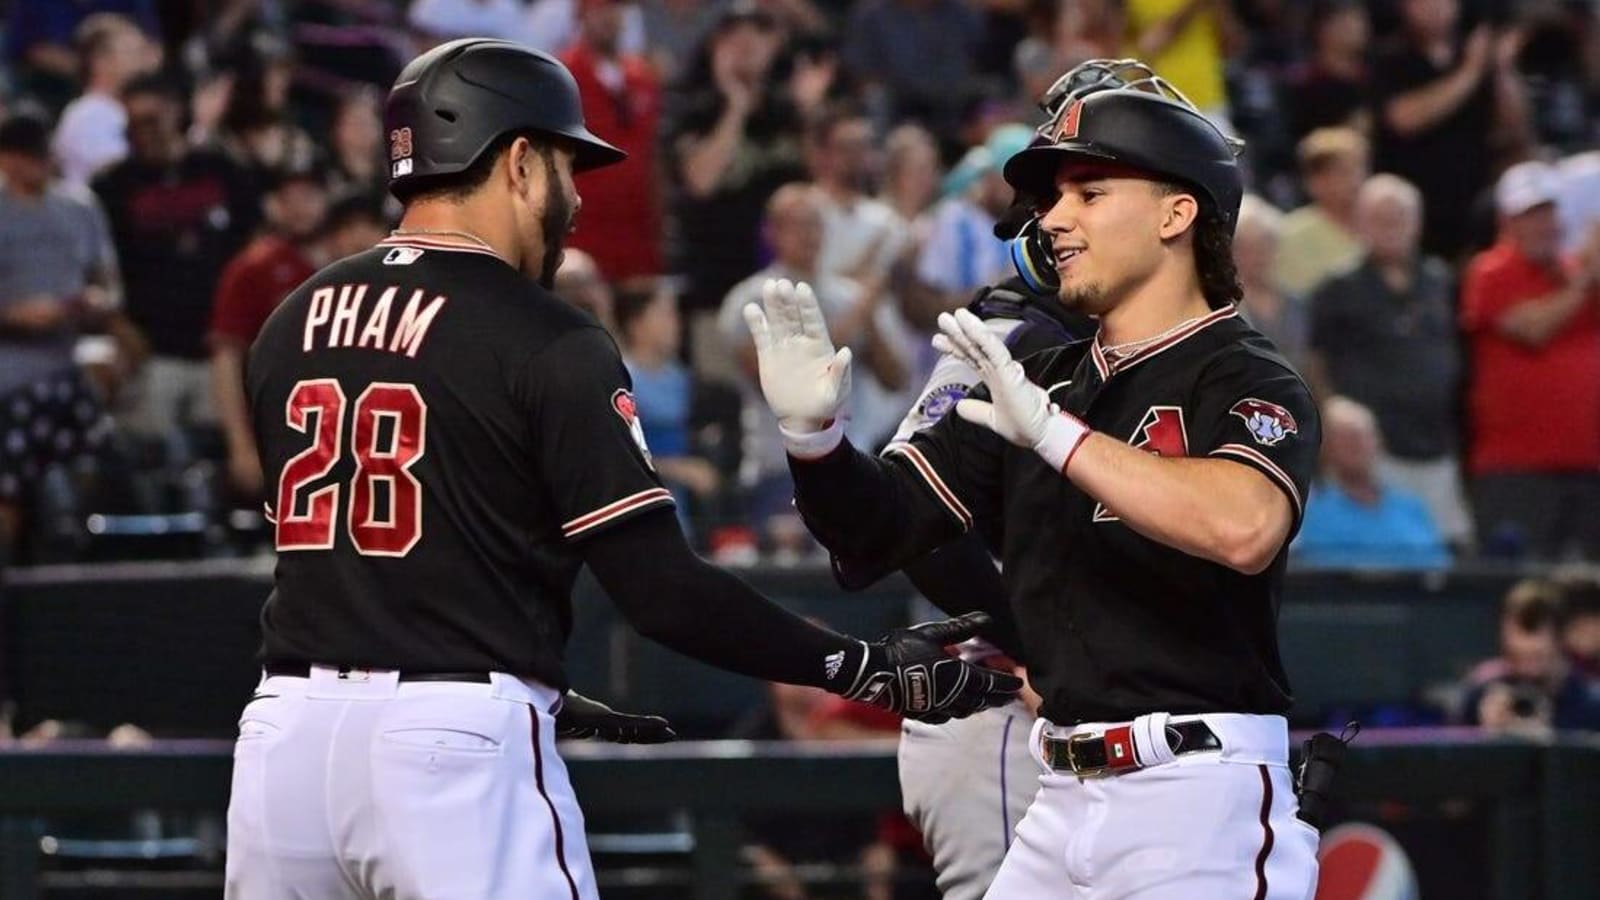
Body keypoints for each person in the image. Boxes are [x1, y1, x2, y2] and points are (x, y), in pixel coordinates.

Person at [224, 39, 1018, 900]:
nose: (573, 201)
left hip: (283, 746)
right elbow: (661, 593)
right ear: (519, 162)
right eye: (567, 168)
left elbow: (369, 561)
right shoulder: (544, 334)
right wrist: (859, 666)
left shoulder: (292, 319)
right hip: (452, 746)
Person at [745, 61, 1321, 896]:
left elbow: (1244, 526)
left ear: (1177, 211)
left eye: (1088, 193)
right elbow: (880, 533)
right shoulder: (1038, 373)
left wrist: (1057, 436)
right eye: (1053, 199)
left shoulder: (1247, 374)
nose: (1052, 220)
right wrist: (816, 441)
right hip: (1057, 797)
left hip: (1195, 797)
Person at [1308, 174, 1470, 549]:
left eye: (1400, 217)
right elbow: (1315, 362)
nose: (1392, 227)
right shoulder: (1339, 288)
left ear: (1418, 223)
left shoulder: (1439, 281)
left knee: (1446, 553)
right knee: (1385, 551)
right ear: (1361, 224)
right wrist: (1336, 430)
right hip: (1375, 448)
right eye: (1381, 218)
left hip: (1438, 443)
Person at [1460, 160, 1600, 561]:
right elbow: (1532, 329)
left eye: (1549, 213)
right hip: (1516, 468)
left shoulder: (1576, 273)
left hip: (1586, 465)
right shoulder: (1491, 271)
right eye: (1529, 215)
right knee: (1518, 586)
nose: (1543, 225)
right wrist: (1585, 281)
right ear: (1507, 221)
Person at [209, 187, 387, 499]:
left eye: (369, 226)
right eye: (347, 228)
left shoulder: (405, 289)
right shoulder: (292, 281)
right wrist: (241, 446)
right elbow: (228, 356)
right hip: (294, 436)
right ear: (331, 238)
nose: (359, 238)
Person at [1291, 396, 1448, 570]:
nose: (1355, 446)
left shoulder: (1411, 507)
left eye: (1361, 436)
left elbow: (1439, 565)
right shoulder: (1311, 512)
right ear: (1326, 450)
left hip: (1414, 594)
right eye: (1344, 439)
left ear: (1378, 442)